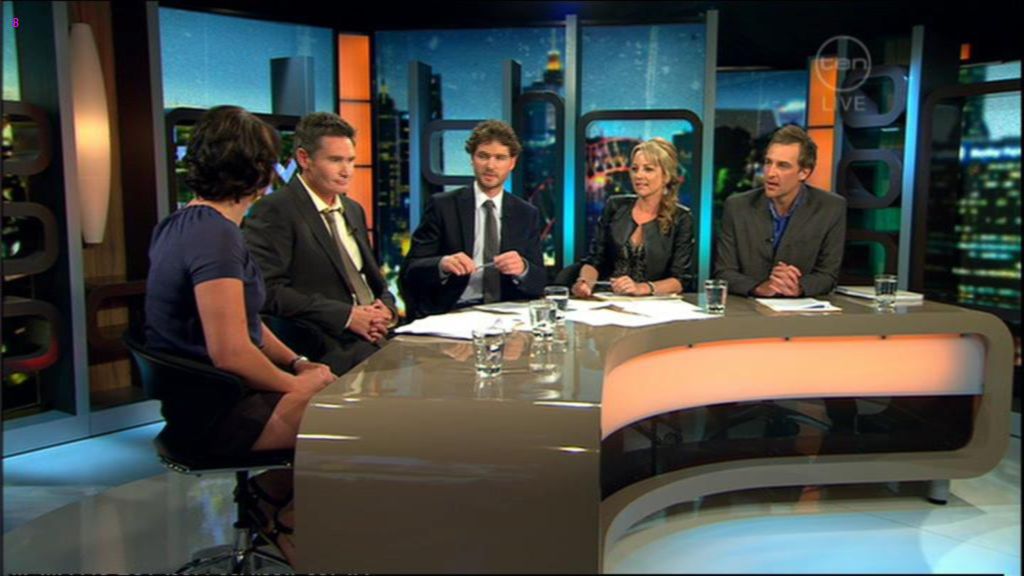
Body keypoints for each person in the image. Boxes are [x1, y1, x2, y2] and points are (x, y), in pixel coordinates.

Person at [145, 105, 334, 563]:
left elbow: (249, 323)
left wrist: (297, 363)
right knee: (353, 420)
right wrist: (295, 387)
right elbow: (230, 351)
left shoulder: (181, 223)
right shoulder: (216, 238)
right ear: (261, 170)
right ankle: (279, 513)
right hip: (214, 413)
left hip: (197, 401)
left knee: (329, 384)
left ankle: (268, 503)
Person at [244, 112, 397, 375]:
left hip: (376, 337)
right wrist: (347, 316)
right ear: (305, 159)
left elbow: (372, 281)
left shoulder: (353, 209)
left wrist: (387, 308)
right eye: (335, 160)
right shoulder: (275, 209)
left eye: (350, 160)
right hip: (322, 345)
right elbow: (268, 290)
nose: (346, 171)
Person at [400, 120, 546, 318]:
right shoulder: (443, 206)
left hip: (506, 314)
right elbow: (410, 271)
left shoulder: (526, 214)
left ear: (512, 163)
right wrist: (442, 264)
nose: (490, 166)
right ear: (472, 159)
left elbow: (539, 281)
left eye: (500, 158)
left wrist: (523, 269)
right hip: (453, 311)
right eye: (483, 156)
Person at [713, 124, 846, 297]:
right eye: (768, 162)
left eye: (783, 166)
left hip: (801, 308)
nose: (771, 173)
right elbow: (724, 272)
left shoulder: (830, 208)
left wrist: (797, 287)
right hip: (748, 307)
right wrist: (760, 287)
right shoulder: (737, 206)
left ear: (804, 173)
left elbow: (828, 275)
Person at [571, 138, 694, 298]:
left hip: (653, 303)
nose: (638, 175)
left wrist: (641, 288)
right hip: (608, 299)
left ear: (666, 176)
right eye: (635, 169)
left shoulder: (682, 218)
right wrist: (584, 282)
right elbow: (594, 260)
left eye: (648, 169)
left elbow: (679, 280)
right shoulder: (615, 206)